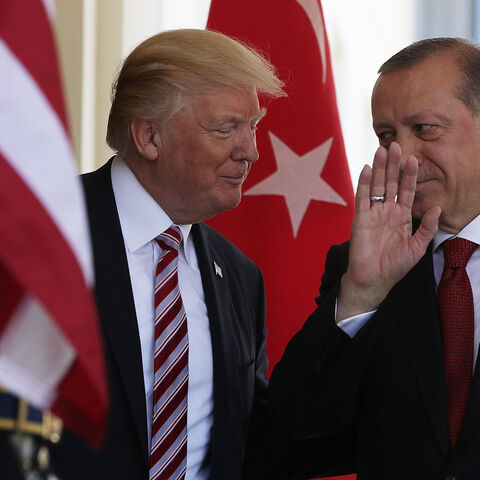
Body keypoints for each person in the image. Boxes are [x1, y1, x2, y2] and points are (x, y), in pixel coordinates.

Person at [49, 28, 284, 480]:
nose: (251, 152)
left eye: (253, 125)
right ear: (148, 138)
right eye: (226, 129)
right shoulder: (43, 235)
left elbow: (255, 443)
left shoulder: (240, 278)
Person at [265, 37, 480, 479]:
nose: (400, 156)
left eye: (424, 129)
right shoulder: (359, 268)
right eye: (386, 135)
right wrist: (362, 294)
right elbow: (293, 430)